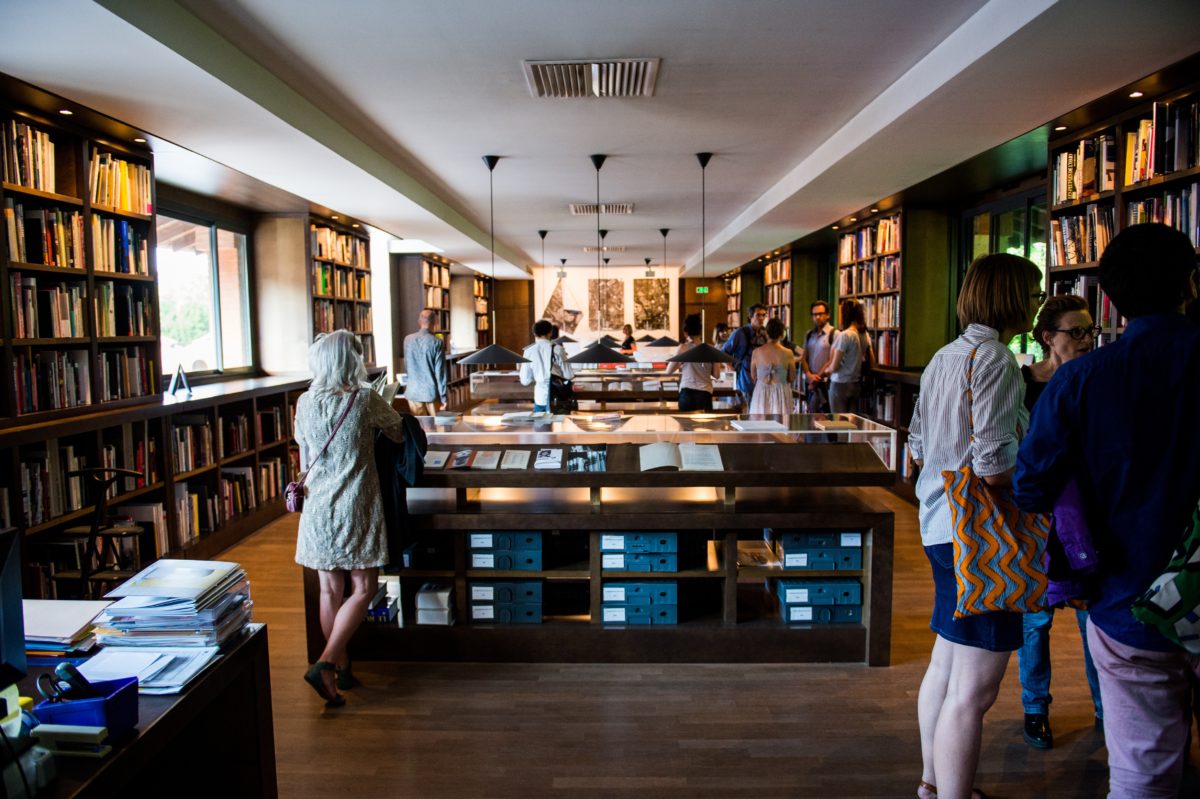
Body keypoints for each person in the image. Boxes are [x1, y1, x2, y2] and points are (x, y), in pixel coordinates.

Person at [1014, 223, 1200, 798]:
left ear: (1111, 301)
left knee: (1142, 777)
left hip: (1126, 600)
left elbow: (1030, 487)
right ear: (1190, 283)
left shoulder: (1080, 381)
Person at [907, 252, 1044, 799]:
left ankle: (932, 782)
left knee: (946, 661)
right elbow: (992, 465)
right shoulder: (996, 360)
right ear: (1010, 297)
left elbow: (916, 443)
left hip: (939, 522)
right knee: (976, 688)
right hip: (981, 534)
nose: (1035, 306)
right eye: (1031, 294)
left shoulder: (945, 355)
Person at [294, 330, 405, 707]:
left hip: (318, 508)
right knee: (362, 588)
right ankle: (326, 662)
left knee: (330, 590)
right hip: (356, 505)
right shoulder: (363, 397)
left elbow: (305, 455)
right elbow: (396, 432)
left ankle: (341, 669)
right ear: (351, 361)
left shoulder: (304, 402)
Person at [1014, 294, 1104, 750]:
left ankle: (1105, 710)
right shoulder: (1022, 384)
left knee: (1093, 617)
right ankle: (1035, 709)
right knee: (1036, 619)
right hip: (1035, 515)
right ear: (1049, 337)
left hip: (1086, 514)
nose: (1088, 339)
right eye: (1078, 331)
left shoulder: (1094, 379)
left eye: (1091, 330)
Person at [820, 298, 873, 413]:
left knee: (839, 424)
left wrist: (824, 373)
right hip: (855, 384)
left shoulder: (845, 335)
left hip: (840, 384)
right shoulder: (865, 335)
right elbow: (871, 359)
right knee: (851, 425)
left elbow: (834, 366)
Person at [666, 314, 721, 412]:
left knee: (686, 426)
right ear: (700, 331)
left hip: (687, 393)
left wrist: (680, 363)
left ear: (686, 332)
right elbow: (716, 375)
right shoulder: (711, 349)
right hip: (705, 394)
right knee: (707, 426)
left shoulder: (683, 348)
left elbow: (668, 371)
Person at [520, 319, 573, 413]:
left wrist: (538, 374)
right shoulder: (559, 350)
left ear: (534, 333)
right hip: (557, 397)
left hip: (540, 398)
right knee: (559, 427)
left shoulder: (528, 351)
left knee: (541, 426)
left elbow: (525, 381)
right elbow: (569, 375)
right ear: (550, 332)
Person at [401, 308, 447, 415]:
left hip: (413, 392)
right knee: (436, 428)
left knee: (420, 428)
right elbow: (440, 372)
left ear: (419, 321)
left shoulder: (407, 340)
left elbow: (407, 366)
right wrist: (443, 397)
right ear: (435, 322)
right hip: (430, 393)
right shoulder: (437, 342)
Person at [721, 304, 768, 407]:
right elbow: (723, 352)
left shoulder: (765, 333)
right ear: (750, 317)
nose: (761, 318)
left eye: (764, 315)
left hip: (762, 380)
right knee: (749, 412)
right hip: (746, 380)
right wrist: (729, 366)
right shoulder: (740, 333)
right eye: (758, 315)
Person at [748, 318, 795, 417]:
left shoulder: (756, 352)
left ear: (766, 333)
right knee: (781, 427)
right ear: (782, 334)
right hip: (781, 393)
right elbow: (791, 377)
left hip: (761, 392)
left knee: (760, 426)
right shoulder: (788, 353)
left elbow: (753, 376)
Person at [798, 300, 836, 413]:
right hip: (809, 382)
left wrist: (816, 379)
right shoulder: (809, 334)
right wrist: (809, 375)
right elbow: (803, 357)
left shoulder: (834, 334)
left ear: (828, 315)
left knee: (826, 416)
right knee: (811, 414)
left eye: (821, 314)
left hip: (825, 383)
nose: (817, 317)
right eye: (814, 315)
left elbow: (832, 360)